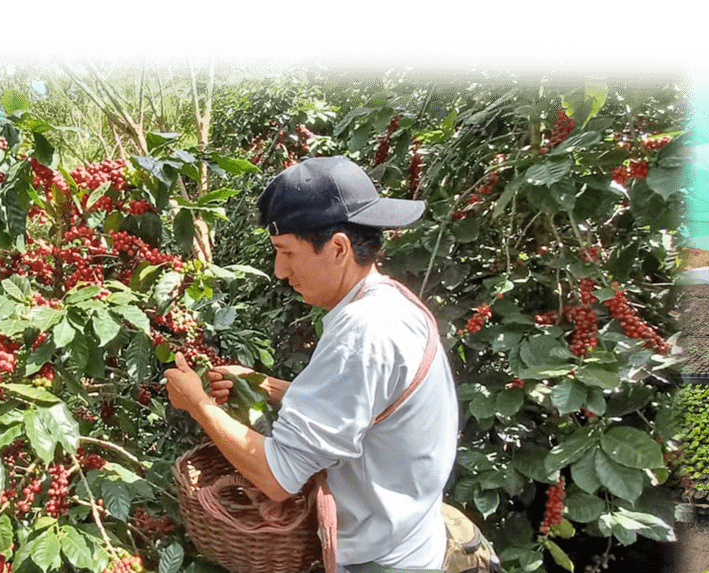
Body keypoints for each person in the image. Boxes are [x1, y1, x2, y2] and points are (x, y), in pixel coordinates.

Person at [162, 157, 487, 572]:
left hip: (384, 561)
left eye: (286, 252)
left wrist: (197, 405)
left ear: (338, 247)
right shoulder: (389, 301)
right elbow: (361, 410)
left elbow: (277, 477)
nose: (280, 271)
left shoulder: (362, 334)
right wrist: (266, 386)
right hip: (412, 536)